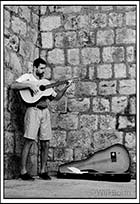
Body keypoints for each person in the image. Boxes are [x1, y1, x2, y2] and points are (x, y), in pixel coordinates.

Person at [11, 57, 72, 180]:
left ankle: (43, 171)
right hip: (33, 110)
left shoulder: (45, 82)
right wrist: (29, 84)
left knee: (46, 142)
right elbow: (13, 85)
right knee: (29, 140)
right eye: (41, 68)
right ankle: (23, 171)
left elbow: (56, 98)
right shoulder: (27, 77)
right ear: (35, 68)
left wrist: (66, 87)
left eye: (45, 68)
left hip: (45, 113)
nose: (43, 71)